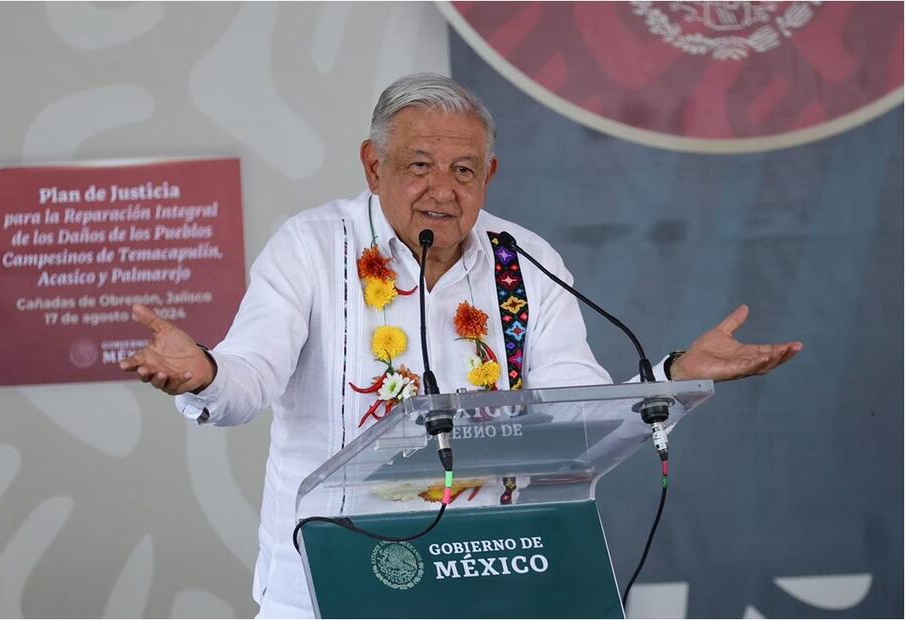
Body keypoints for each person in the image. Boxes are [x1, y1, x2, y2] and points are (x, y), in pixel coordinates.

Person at [120, 73, 802, 618]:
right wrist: (206, 373)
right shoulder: (312, 247)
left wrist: (670, 376)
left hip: (484, 580)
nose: (441, 189)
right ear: (372, 164)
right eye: (419, 165)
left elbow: (574, 411)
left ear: (490, 175)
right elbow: (252, 377)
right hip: (332, 585)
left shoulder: (521, 260)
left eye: (464, 170)